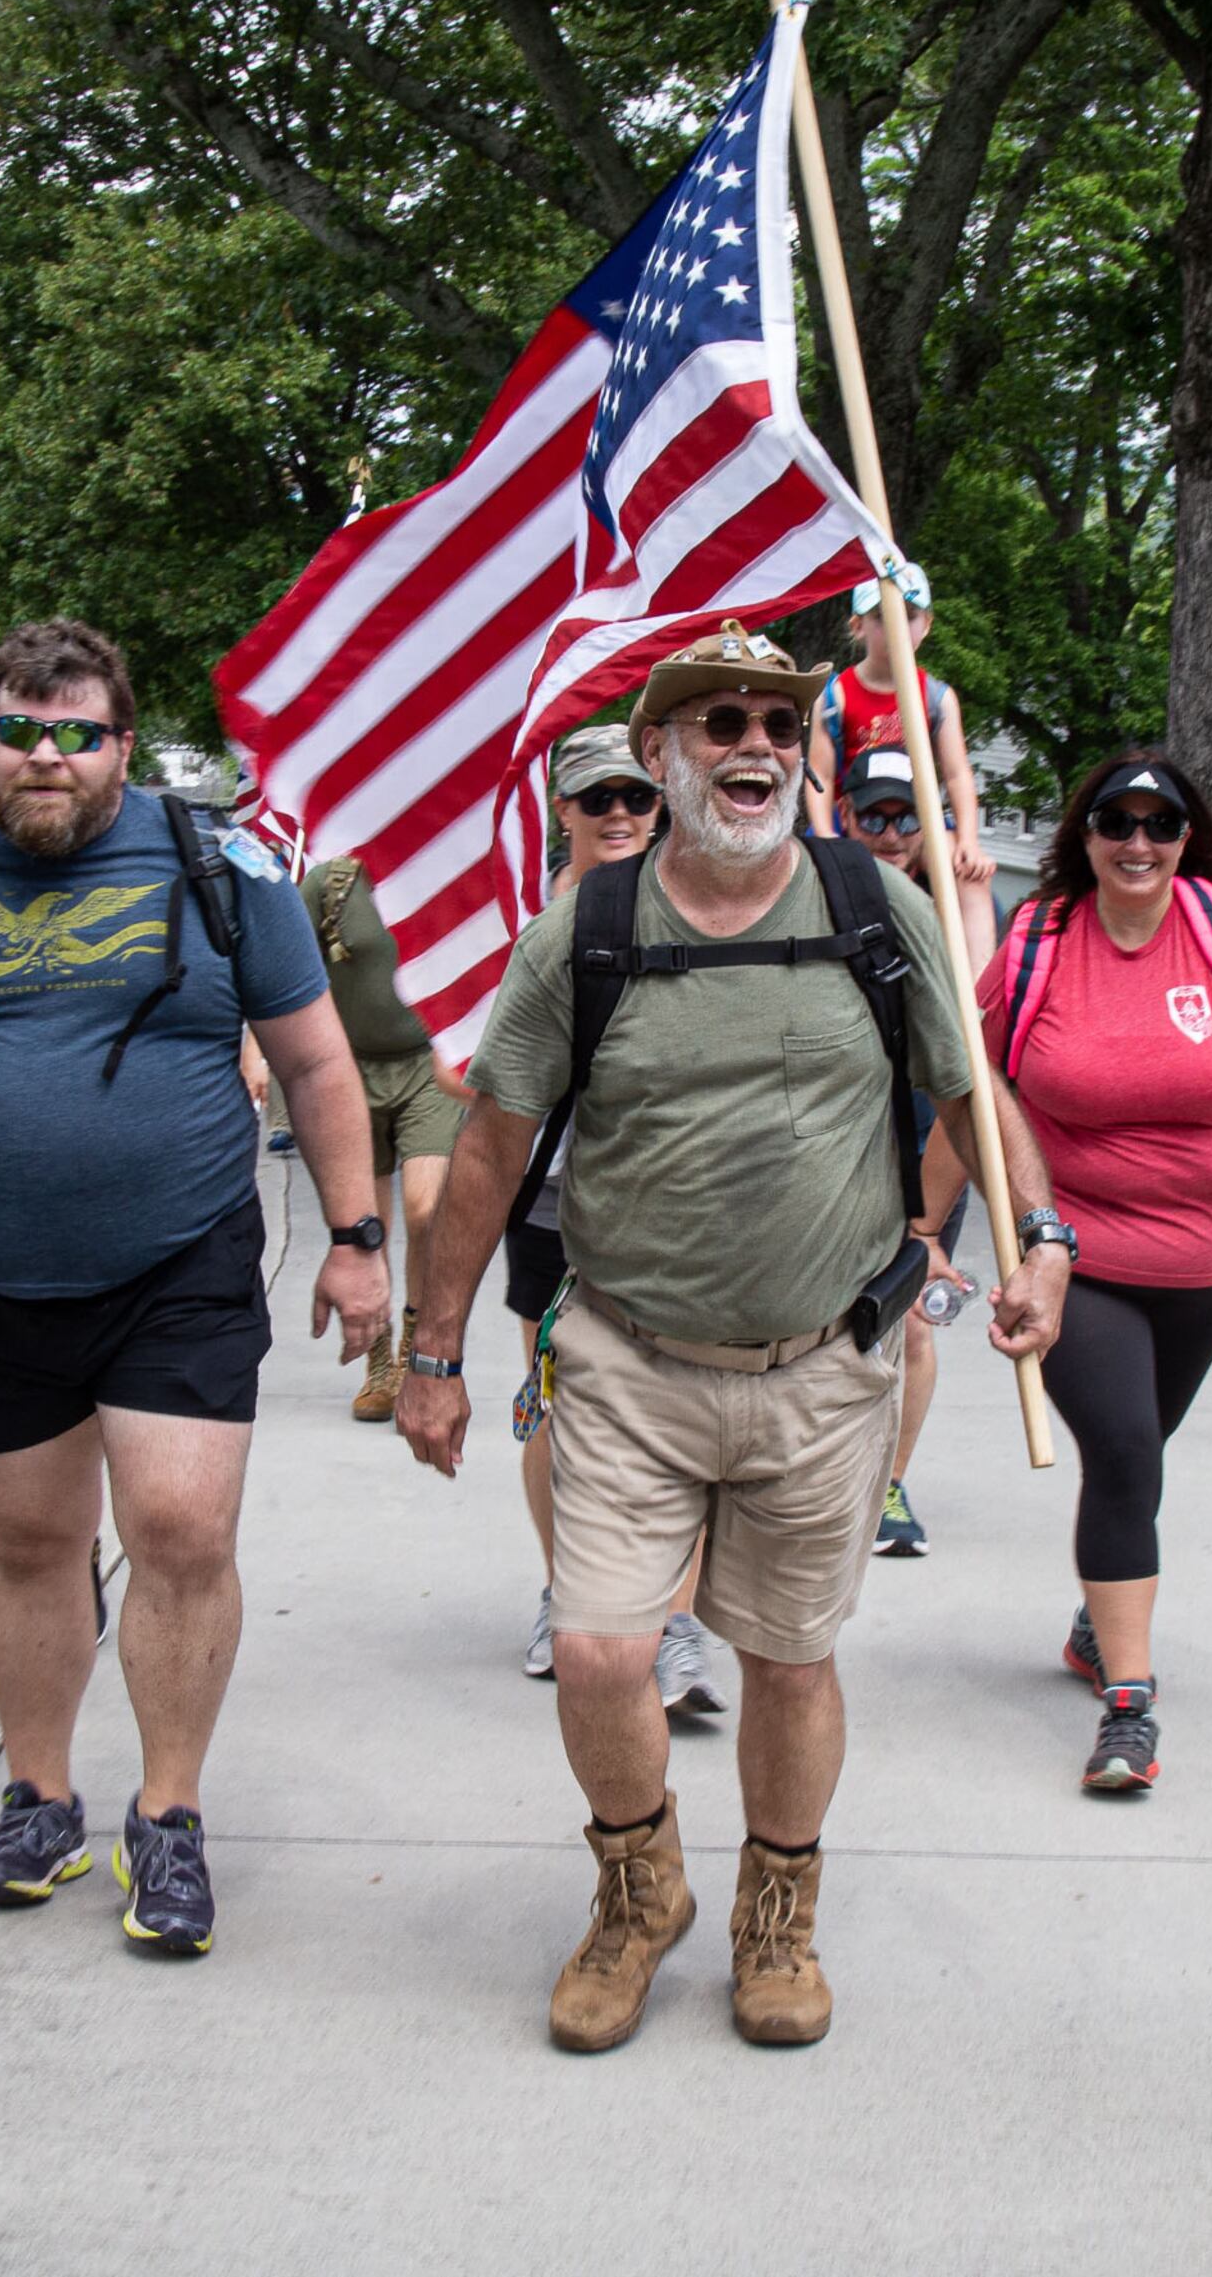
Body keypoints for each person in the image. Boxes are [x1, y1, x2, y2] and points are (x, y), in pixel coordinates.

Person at [401, 627, 1071, 2053]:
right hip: (630, 1364)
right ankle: (640, 1891)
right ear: (659, 754)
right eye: (717, 723)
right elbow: (487, 1154)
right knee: (596, 1652)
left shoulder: (874, 905)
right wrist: (433, 1351)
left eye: (778, 719)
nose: (753, 743)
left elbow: (970, 1093)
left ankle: (780, 1913)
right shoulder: (583, 932)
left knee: (787, 1659)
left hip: (825, 1371)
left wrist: (1047, 1240)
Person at [0, 618, 389, 1959]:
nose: (47, 759)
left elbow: (323, 1063)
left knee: (178, 1530)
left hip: (180, 1261)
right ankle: (39, 1797)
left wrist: (357, 1233)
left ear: (123, 743)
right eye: (20, 730)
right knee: (37, 1545)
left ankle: (168, 1814)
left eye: (79, 733)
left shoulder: (219, 870)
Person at [934, 750, 1212, 1798]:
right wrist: (925, 1224)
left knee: (1141, 1446)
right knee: (1126, 1448)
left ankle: (1100, 1620)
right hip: (1070, 1250)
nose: (1137, 842)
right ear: (1082, 837)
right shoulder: (1039, 943)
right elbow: (972, 1092)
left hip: (1210, 1260)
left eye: (1159, 824)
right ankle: (1130, 1702)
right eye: (1114, 823)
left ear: (1189, 836)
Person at [498, 725, 719, 1712]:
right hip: (554, 1202)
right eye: (599, 800)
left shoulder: (705, 908)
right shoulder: (530, 928)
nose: (622, 814)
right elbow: (488, 1085)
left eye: (638, 795)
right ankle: (563, 1590)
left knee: (689, 1412)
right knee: (553, 1405)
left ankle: (671, 1619)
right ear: (565, 812)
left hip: (679, 1209)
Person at [832, 745, 1001, 1559]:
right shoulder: (817, 890)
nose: (892, 832)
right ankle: (815, 1477)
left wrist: (970, 897)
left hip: (928, 1137)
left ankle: (887, 1482)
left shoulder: (950, 901)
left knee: (917, 1323)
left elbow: (979, 1011)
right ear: (846, 815)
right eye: (875, 815)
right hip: (836, 1140)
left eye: (909, 817)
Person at [301, 854, 466, 1425]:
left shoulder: (440, 867)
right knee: (368, 1226)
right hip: (350, 1070)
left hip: (427, 1065)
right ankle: (380, 1360)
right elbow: (289, 974)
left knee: (425, 1207)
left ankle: (415, 1346)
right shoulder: (331, 883)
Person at [802, 573, 994, 901]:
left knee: (971, 878)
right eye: (882, 617)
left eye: (909, 616)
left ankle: (974, 954)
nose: (896, 628)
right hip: (853, 820)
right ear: (858, 626)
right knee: (808, 878)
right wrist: (824, 833)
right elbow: (820, 773)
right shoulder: (836, 696)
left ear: (927, 624)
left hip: (917, 823)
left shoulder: (936, 698)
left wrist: (968, 841)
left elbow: (957, 773)